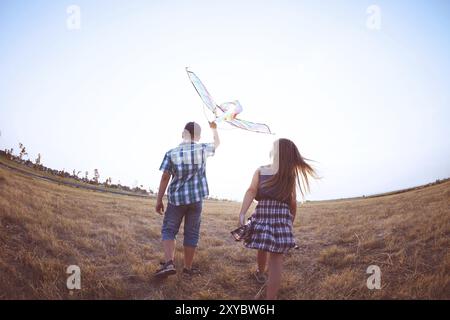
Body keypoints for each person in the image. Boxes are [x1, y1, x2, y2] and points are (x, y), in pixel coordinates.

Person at [236, 138, 317, 299]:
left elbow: (251, 190)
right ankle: (270, 298)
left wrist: (242, 213)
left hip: (263, 212)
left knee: (262, 245)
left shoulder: (261, 170)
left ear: (275, 153)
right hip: (282, 215)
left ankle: (260, 272)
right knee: (276, 258)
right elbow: (292, 202)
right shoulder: (289, 175)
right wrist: (290, 222)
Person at [154, 121, 220, 277]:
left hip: (176, 199)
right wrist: (214, 129)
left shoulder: (172, 153)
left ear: (183, 133)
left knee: (169, 230)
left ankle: (169, 263)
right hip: (196, 200)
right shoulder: (202, 149)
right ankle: (187, 269)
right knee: (191, 233)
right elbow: (217, 143)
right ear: (198, 136)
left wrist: (159, 199)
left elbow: (165, 177)